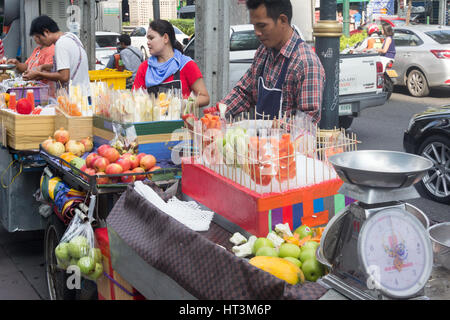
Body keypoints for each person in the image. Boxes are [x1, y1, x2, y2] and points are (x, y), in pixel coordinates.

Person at [220, 0, 325, 123]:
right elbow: (244, 92)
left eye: (262, 26)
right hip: (260, 140)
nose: (257, 32)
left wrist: (273, 127)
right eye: (254, 26)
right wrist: (218, 113)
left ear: (283, 21)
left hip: (289, 141)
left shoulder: (305, 63)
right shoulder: (263, 53)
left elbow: (308, 120)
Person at [132, 19, 210, 107]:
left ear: (165, 38)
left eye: (151, 38)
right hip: (153, 120)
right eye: (148, 39)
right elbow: (135, 98)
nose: (148, 42)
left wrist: (185, 104)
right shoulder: (145, 67)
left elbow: (204, 97)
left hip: (181, 120)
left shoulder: (186, 64)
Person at [22, 15, 91, 97]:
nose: (40, 42)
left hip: (75, 97)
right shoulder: (71, 37)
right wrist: (43, 67)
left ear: (46, 32)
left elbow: (64, 76)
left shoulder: (61, 44)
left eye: (39, 37)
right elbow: (68, 65)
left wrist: (39, 74)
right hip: (84, 93)